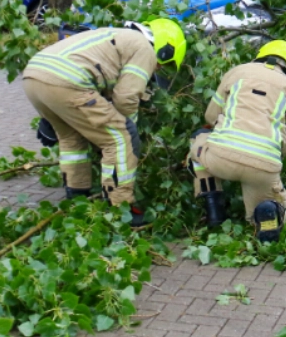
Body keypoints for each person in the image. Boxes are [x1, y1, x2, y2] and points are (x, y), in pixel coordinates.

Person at [22, 18, 186, 228]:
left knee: (72, 140)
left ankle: (77, 199)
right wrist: (128, 130)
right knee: (121, 137)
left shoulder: (114, 35)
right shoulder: (144, 47)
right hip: (68, 81)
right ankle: (121, 209)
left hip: (34, 76)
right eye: (162, 65)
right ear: (165, 48)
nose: (157, 69)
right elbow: (126, 98)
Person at [189, 40, 286, 243]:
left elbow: (210, 116)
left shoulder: (236, 72)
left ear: (260, 55)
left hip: (219, 158)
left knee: (198, 140)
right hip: (261, 168)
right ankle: (267, 215)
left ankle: (214, 210)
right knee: (270, 206)